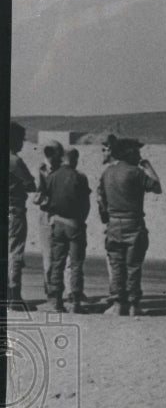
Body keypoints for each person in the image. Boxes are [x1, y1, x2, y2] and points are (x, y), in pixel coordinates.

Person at [97, 137, 162, 316]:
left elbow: (100, 199)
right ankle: (134, 305)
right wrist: (148, 167)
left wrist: (107, 219)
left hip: (113, 224)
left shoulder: (107, 173)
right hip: (134, 224)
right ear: (130, 152)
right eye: (137, 151)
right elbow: (157, 187)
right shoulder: (136, 173)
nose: (139, 155)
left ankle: (118, 304)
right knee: (133, 266)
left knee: (117, 265)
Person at [45, 148, 91, 313]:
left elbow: (45, 199)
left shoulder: (53, 176)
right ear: (75, 159)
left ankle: (56, 301)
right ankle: (75, 302)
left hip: (57, 223)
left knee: (57, 262)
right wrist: (81, 220)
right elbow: (86, 204)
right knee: (76, 263)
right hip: (75, 223)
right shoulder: (80, 177)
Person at [7, 122, 37, 307]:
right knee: (14, 252)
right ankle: (13, 295)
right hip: (13, 209)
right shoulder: (14, 161)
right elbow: (30, 185)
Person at [34, 140, 64, 297]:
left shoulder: (64, 170)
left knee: (64, 256)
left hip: (61, 215)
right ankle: (50, 291)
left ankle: (68, 291)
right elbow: (37, 197)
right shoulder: (42, 170)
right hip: (47, 214)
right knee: (49, 257)